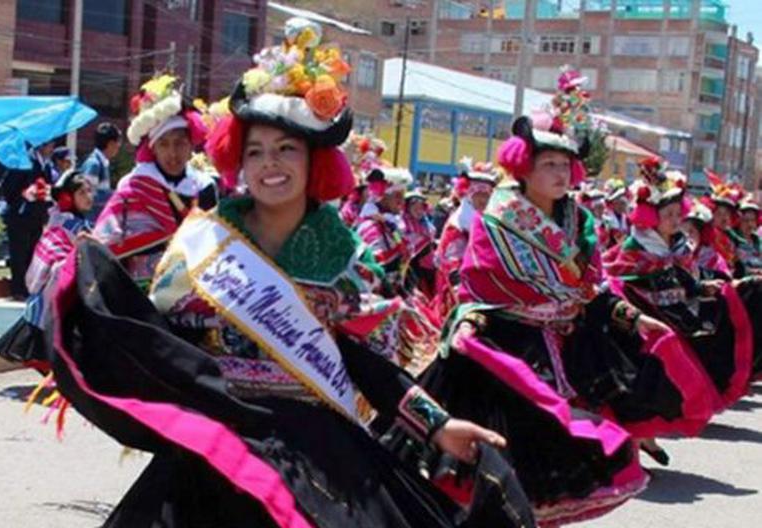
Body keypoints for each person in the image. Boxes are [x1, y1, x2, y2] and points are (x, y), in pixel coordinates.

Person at [50, 18, 534, 528]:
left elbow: (366, 365)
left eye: (286, 149)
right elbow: (165, 338)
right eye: (255, 150)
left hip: (317, 452)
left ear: (315, 161)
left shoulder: (345, 256)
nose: (269, 164)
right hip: (220, 446)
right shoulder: (206, 240)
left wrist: (437, 427)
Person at [421, 109, 652, 524]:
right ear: (523, 167)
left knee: (571, 453)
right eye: (548, 164)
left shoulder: (577, 218)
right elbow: (480, 284)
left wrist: (630, 316)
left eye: (565, 164)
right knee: (516, 458)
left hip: (570, 345)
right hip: (513, 346)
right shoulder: (499, 217)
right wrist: (471, 323)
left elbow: (592, 282)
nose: (560, 172)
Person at [603, 163, 753, 415]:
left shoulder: (681, 245)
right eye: (668, 215)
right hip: (643, 315)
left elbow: (687, 277)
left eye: (677, 214)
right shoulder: (636, 244)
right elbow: (621, 274)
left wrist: (702, 287)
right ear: (651, 217)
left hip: (677, 311)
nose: (675, 220)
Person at [93, 73, 218, 291]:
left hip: (196, 289)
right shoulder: (133, 188)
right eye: (164, 144)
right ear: (152, 149)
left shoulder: (204, 188)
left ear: (191, 145)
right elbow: (106, 243)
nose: (173, 153)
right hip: (139, 293)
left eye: (180, 143)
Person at [0, 170, 93, 369]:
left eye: (90, 191)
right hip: (60, 286)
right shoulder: (70, 223)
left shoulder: (69, 220)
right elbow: (74, 247)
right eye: (82, 193)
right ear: (68, 197)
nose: (89, 197)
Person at [430, 159, 497, 325]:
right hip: (460, 285)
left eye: (487, 196)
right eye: (479, 195)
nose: (483, 200)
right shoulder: (459, 224)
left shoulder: (487, 219)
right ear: (469, 195)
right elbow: (451, 261)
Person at [1, 141, 56, 300]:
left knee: (32, 252)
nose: (51, 148)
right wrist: (23, 195)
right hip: (21, 215)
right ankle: (18, 289)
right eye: (48, 145)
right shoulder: (24, 161)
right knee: (19, 252)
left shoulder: (45, 165)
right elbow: (8, 186)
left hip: (37, 215)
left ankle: (29, 288)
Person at [355, 166, 413, 296]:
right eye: (397, 196)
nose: (402, 201)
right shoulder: (371, 227)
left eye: (403, 196)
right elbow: (369, 270)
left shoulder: (391, 224)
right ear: (383, 198)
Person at [80, 122, 122, 218]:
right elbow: (87, 195)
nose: (119, 146)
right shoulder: (94, 164)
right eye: (118, 142)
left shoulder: (102, 163)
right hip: (90, 221)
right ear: (111, 143)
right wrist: (116, 195)